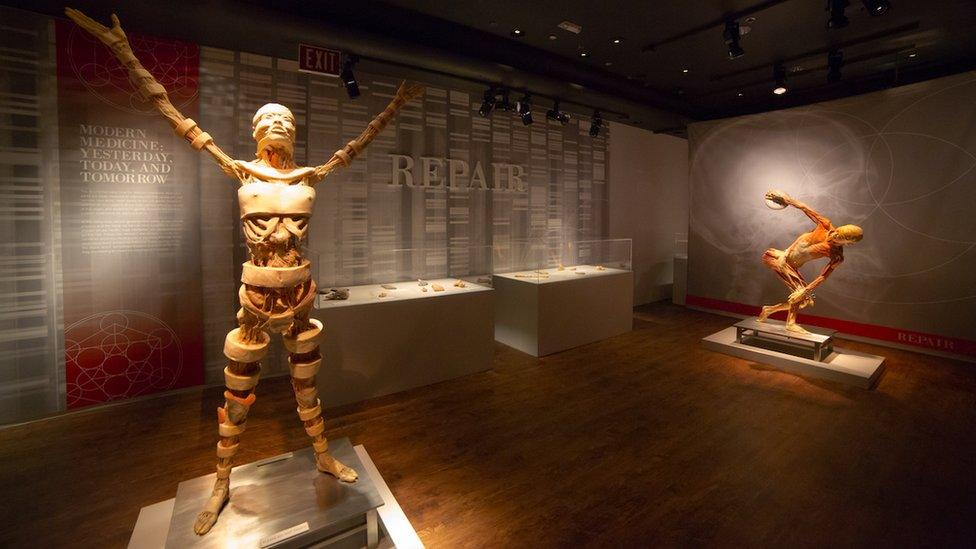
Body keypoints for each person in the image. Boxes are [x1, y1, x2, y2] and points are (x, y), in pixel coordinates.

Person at [65, 8, 423, 535]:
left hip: (299, 293)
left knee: (306, 385)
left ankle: (322, 453)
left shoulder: (312, 176)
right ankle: (221, 480)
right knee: (238, 392)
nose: (277, 126)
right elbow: (170, 109)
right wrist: (124, 51)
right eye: (268, 121)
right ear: (257, 133)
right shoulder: (238, 169)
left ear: (293, 134)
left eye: (285, 121)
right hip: (256, 298)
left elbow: (359, 145)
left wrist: (393, 104)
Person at [758, 190, 863, 334]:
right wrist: (785, 199)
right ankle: (791, 323)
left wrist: (806, 291)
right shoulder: (825, 225)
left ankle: (769, 310)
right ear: (839, 230)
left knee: (803, 299)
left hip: (790, 267)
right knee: (799, 294)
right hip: (775, 258)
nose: (835, 237)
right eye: (838, 233)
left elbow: (823, 276)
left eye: (843, 239)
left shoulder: (837, 256)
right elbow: (804, 207)